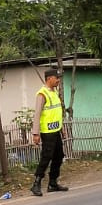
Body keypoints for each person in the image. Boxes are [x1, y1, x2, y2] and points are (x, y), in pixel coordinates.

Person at [30, 67, 68, 196]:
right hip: (47, 132)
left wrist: (62, 130)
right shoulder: (42, 94)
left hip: (56, 130)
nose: (58, 80)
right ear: (49, 79)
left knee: (59, 156)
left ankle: (52, 183)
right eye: (56, 78)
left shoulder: (54, 93)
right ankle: (36, 183)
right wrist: (36, 133)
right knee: (47, 157)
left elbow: (56, 113)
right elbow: (37, 114)